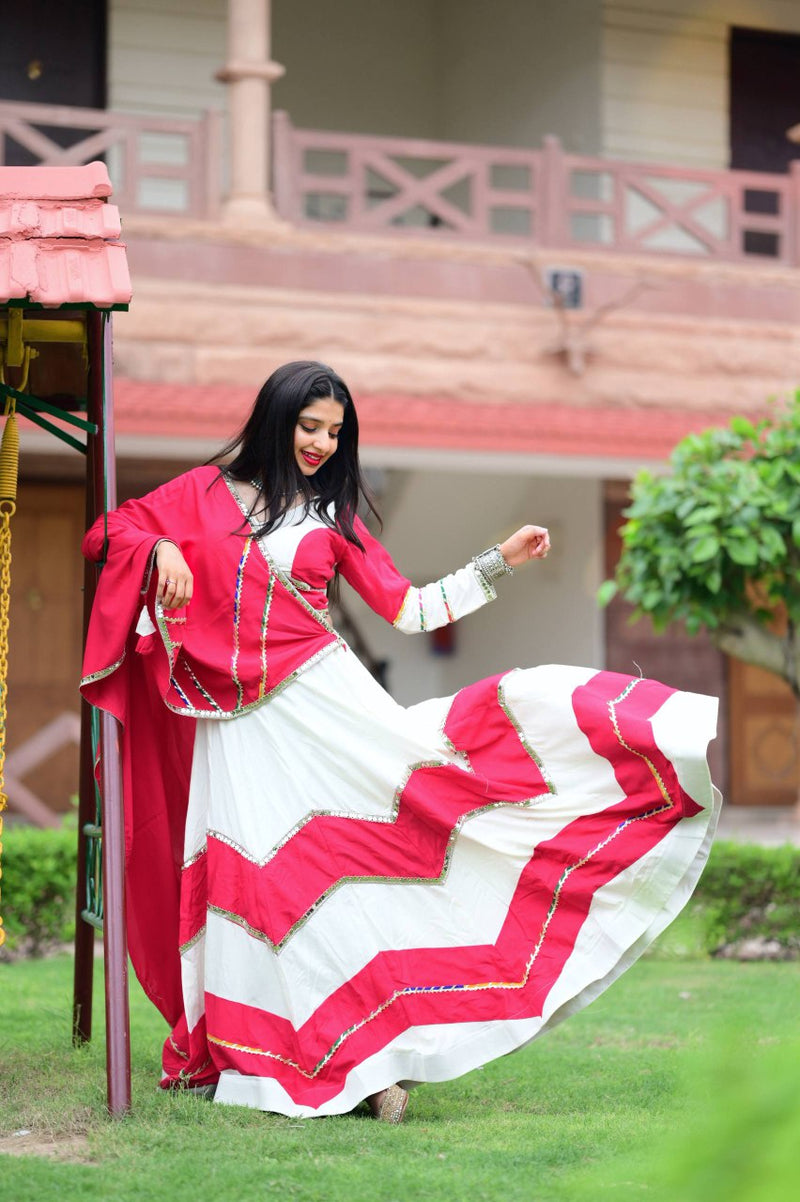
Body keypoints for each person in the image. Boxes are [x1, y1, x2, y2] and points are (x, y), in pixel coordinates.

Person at [81, 360, 719, 1123]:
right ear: (276, 417)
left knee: (362, 864)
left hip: (326, 707)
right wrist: (162, 551)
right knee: (258, 890)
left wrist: (500, 560)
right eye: (309, 425)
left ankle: (369, 1062)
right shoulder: (198, 494)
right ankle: (279, 1057)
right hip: (237, 729)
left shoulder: (334, 519)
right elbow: (106, 532)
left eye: (334, 432)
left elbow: (410, 609)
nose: (320, 443)